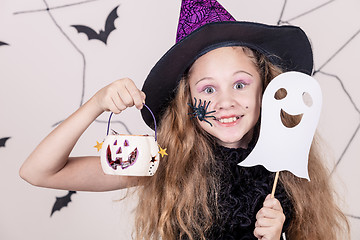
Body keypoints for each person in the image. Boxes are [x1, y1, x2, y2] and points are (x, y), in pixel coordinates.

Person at [20, 0, 350, 239]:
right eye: (207, 89)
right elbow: (39, 171)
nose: (225, 102)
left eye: (240, 84)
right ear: (187, 101)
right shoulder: (163, 160)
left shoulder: (288, 167)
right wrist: (96, 104)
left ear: (264, 87)